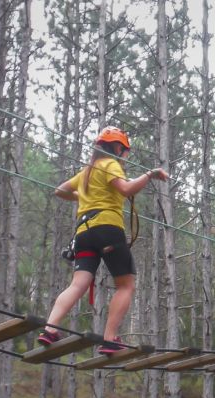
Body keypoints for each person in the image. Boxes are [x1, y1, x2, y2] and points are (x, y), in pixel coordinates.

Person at [38, 126, 168, 355]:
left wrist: (82, 196)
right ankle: (110, 339)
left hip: (83, 233)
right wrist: (149, 175)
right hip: (107, 229)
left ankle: (50, 328)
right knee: (125, 285)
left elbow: (60, 190)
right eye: (125, 151)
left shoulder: (87, 172)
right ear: (117, 147)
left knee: (78, 284)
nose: (125, 156)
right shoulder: (110, 164)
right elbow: (126, 189)